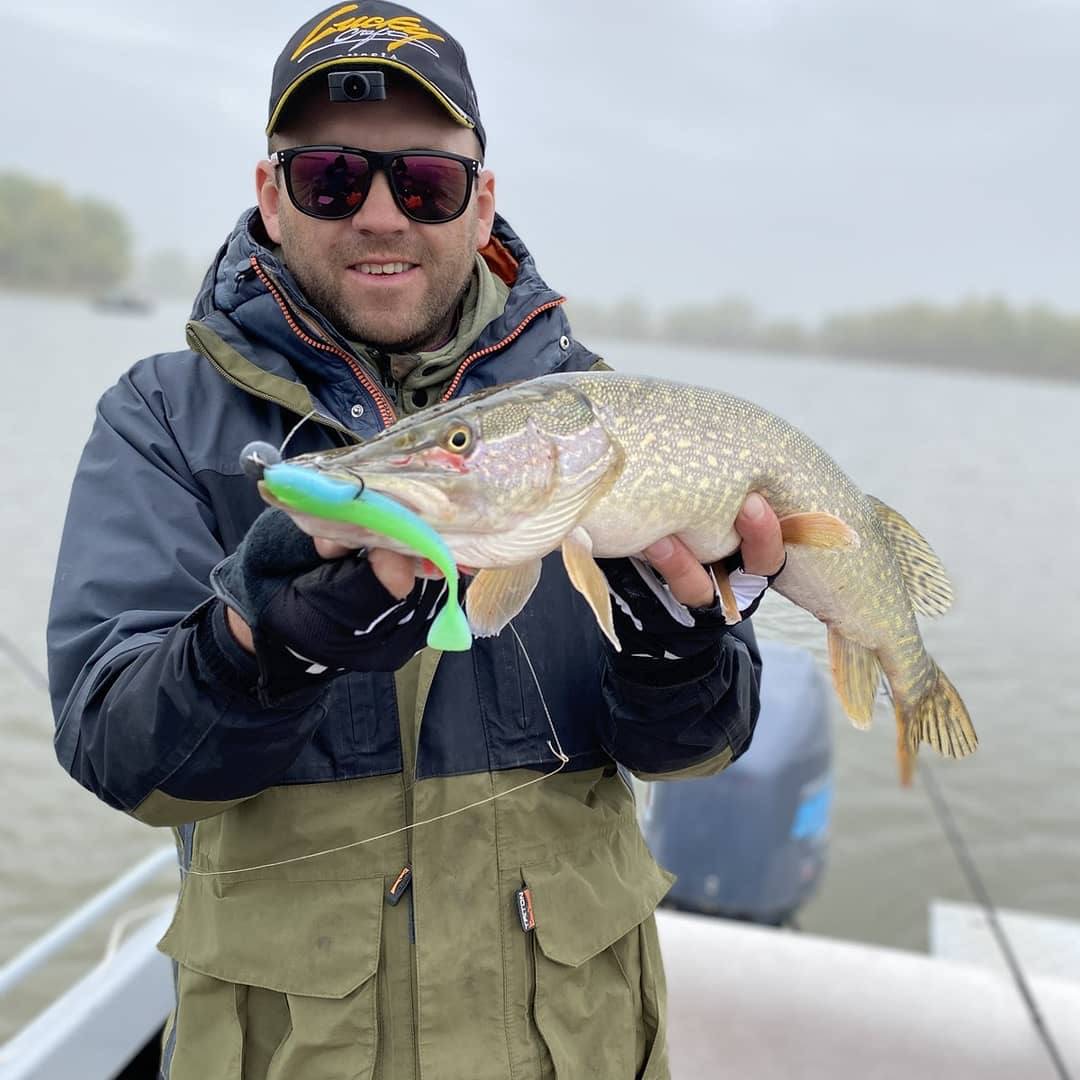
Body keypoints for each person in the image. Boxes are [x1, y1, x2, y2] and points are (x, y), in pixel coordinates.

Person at [47, 4, 785, 1077]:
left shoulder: (603, 421)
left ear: (481, 203)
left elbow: (700, 752)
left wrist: (681, 652)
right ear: (271, 194)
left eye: (427, 183)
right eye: (331, 179)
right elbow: (119, 757)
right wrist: (265, 646)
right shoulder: (160, 417)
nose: (381, 215)